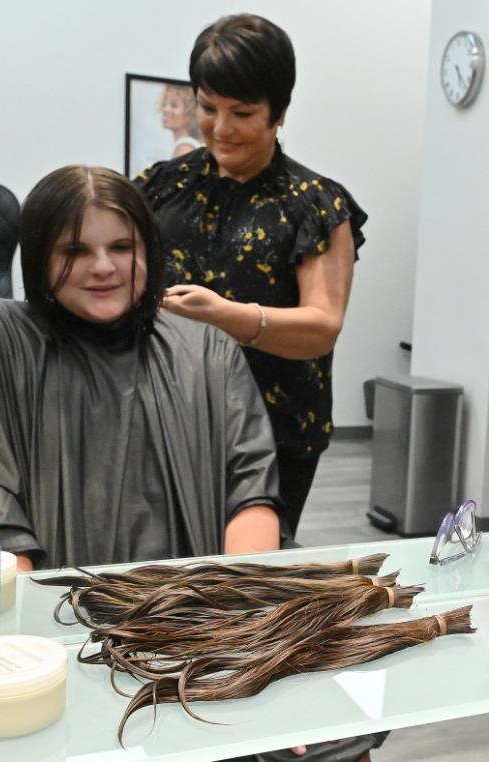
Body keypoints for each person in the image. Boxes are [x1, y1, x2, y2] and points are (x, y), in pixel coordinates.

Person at [0, 165, 282, 572]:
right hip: (48, 621)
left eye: (122, 247)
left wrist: (235, 609)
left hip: (195, 614)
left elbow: (251, 494)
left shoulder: (208, 349)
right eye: (75, 251)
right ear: (40, 257)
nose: (104, 267)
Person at [135, 13, 367, 540]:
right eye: (208, 107)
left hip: (275, 430)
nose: (219, 128)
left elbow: (322, 325)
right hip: (170, 415)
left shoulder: (315, 204)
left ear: (279, 113)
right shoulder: (162, 185)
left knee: (248, 572)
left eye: (241, 112)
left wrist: (227, 317)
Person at [158, 83, 202, 158]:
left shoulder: (184, 148)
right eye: (164, 104)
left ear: (190, 113)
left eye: (174, 105)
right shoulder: (190, 145)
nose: (165, 109)